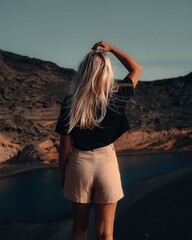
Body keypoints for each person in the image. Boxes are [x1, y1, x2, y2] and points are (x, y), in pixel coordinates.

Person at [55, 41, 142, 240]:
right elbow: (136, 68)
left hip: (78, 164)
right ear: (107, 72)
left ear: (84, 72)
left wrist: (62, 172)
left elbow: (65, 144)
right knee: (105, 232)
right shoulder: (118, 96)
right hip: (106, 163)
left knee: (79, 229)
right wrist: (112, 49)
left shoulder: (71, 102)